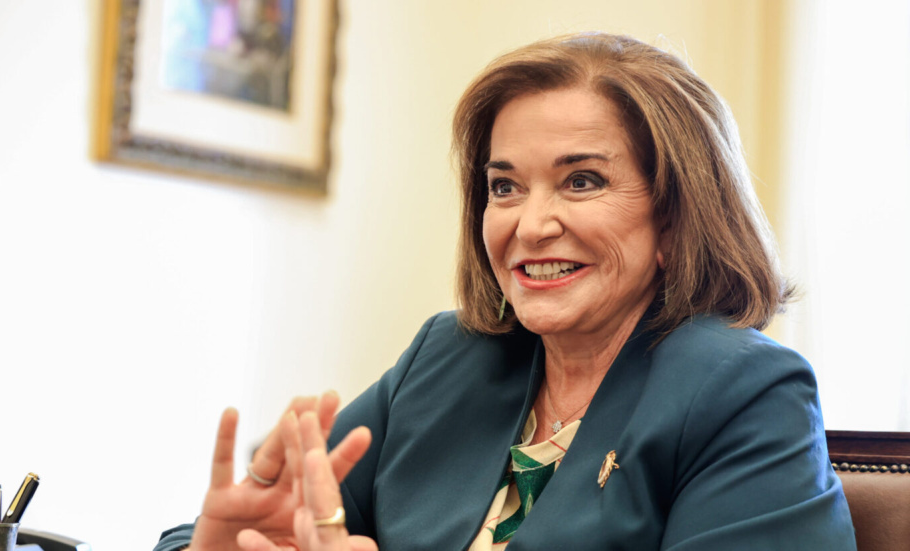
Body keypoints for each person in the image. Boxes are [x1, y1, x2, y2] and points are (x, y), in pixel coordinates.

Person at [156, 32, 856, 551]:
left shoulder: (744, 392)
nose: (530, 224)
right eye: (505, 186)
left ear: (674, 217)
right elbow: (252, 525)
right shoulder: (447, 358)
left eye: (581, 180)